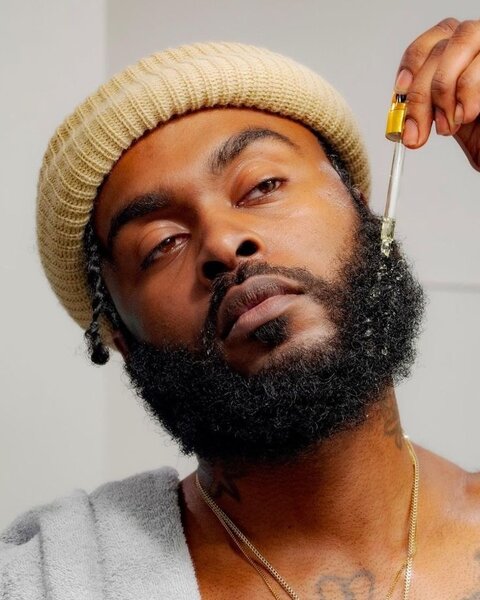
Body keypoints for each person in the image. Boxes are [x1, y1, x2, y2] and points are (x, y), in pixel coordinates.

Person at [2, 17, 480, 600]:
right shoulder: (44, 581)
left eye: (262, 185)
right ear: (123, 339)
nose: (224, 242)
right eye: (161, 244)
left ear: (362, 208)